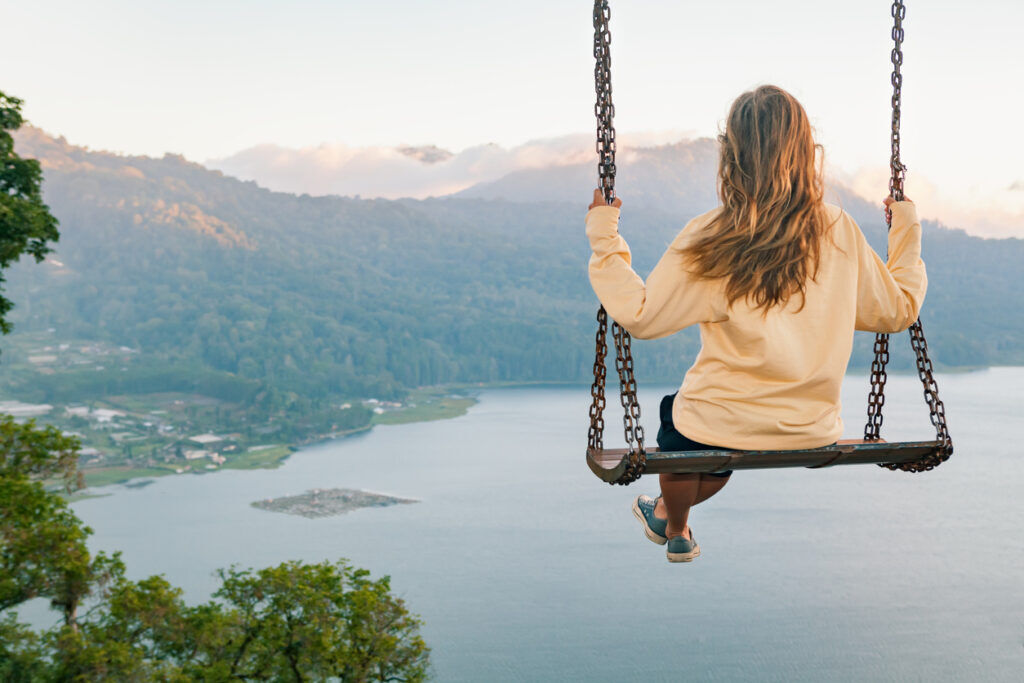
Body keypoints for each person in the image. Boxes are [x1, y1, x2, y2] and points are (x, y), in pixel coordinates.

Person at [584, 85, 926, 563]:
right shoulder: (838, 230)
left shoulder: (712, 234)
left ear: (732, 155)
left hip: (720, 426)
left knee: (683, 433)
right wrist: (905, 228)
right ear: (807, 153)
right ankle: (670, 519)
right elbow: (896, 310)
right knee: (711, 445)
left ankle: (674, 522)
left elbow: (642, 316)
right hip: (811, 427)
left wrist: (604, 236)